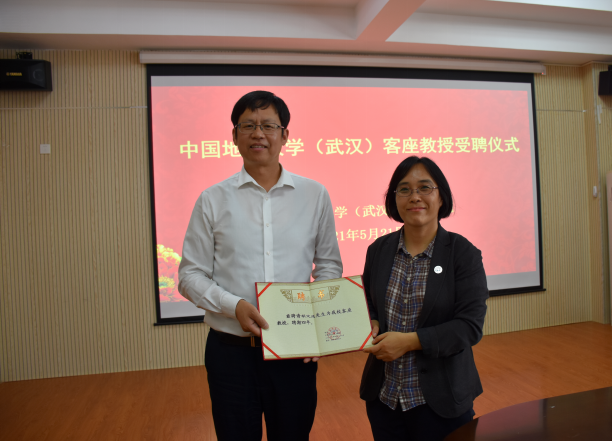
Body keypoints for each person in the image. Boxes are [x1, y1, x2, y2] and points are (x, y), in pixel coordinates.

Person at [178, 91, 342, 441]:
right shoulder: (212, 199)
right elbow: (190, 276)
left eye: (268, 125)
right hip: (230, 352)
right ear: (234, 135)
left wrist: (318, 323)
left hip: (294, 351)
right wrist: (233, 305)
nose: (258, 134)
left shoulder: (314, 195)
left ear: (285, 135)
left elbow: (328, 266)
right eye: (248, 125)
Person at [360, 156, 489, 441]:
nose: (414, 197)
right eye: (404, 189)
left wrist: (409, 342)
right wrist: (370, 322)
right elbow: (368, 304)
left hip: (441, 401)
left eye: (424, 188)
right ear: (394, 199)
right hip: (385, 397)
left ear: (441, 197)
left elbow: (469, 327)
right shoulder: (378, 250)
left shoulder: (463, 253)